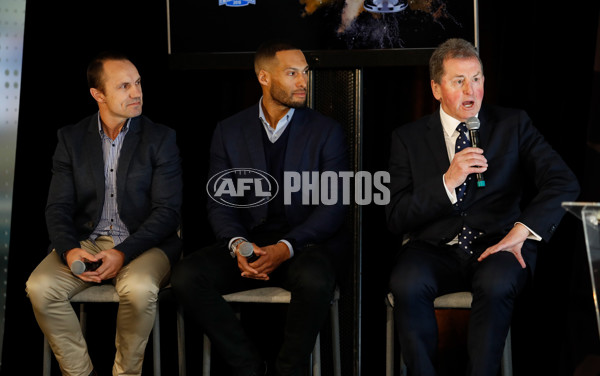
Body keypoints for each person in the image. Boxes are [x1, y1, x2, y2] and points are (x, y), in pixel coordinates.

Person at [385, 38, 580, 376]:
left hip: (498, 245)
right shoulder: (408, 137)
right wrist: (448, 181)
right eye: (458, 80)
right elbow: (396, 215)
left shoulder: (513, 125)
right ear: (436, 88)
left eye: (476, 78)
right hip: (433, 248)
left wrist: (521, 232)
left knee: (497, 283)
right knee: (407, 282)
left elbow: (564, 182)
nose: (469, 89)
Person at [171, 41, 348, 376]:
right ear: (264, 77)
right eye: (292, 73)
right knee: (186, 276)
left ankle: (288, 371)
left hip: (303, 247)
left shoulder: (327, 131)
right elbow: (220, 203)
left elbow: (333, 206)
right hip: (250, 244)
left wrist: (284, 248)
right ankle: (249, 368)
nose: (303, 82)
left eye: (305, 73)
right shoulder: (229, 130)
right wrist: (238, 245)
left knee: (315, 280)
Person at [26, 51, 182, 376]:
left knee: (139, 290)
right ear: (98, 94)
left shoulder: (161, 138)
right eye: (124, 86)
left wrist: (123, 253)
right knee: (39, 288)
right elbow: (57, 207)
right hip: (88, 242)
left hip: (144, 244)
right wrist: (69, 251)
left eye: (138, 83)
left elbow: (167, 213)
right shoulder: (70, 139)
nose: (137, 93)